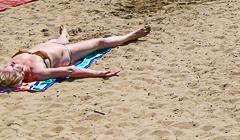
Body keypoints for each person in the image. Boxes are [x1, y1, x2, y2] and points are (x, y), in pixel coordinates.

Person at [0, 24, 150, 88]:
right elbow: (70, 71)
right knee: (100, 42)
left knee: (60, 40)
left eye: (7, 65)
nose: (10, 64)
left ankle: (63, 36)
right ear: (21, 74)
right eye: (12, 66)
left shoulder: (7, 72)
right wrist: (97, 73)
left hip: (51, 45)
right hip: (68, 52)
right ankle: (130, 36)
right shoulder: (38, 72)